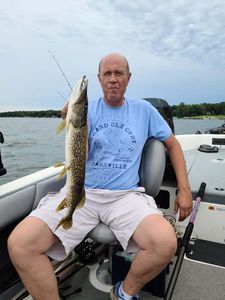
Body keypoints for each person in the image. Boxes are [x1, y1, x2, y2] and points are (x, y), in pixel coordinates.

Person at [8, 53, 193, 300]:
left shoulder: (144, 111)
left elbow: (173, 145)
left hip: (125, 196)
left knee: (166, 244)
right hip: (82, 191)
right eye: (107, 74)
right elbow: (79, 156)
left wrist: (184, 189)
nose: (113, 79)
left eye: (119, 73)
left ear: (129, 78)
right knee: (20, 244)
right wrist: (73, 117)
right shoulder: (87, 110)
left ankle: (124, 292)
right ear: (99, 79)